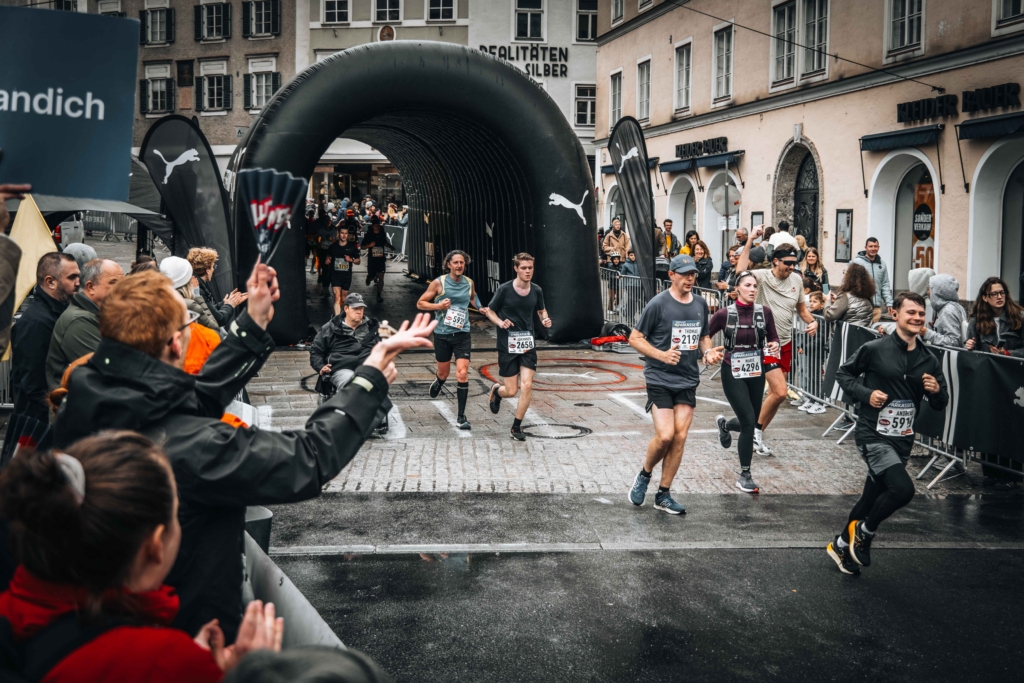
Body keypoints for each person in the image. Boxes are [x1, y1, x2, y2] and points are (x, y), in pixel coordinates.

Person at [53, 264, 437, 641]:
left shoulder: (85, 403)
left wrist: (251, 324)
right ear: (176, 343)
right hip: (189, 635)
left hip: (102, 626)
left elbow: (190, 397)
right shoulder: (194, 447)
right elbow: (308, 458)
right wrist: (369, 380)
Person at [0, 432, 284, 681]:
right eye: (176, 515)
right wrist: (250, 673)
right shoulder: (165, 662)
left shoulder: (12, 611)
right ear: (156, 544)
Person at [828, 292, 947, 575]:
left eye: (921, 313)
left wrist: (937, 391)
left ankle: (841, 544)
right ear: (895, 315)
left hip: (902, 439)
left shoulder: (928, 359)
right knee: (902, 490)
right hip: (873, 435)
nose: (917, 318)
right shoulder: (875, 348)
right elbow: (843, 374)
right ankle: (866, 532)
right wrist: (866, 394)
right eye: (911, 313)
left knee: (872, 497)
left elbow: (941, 404)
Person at [627, 254, 723, 514]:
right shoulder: (658, 304)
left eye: (693, 273)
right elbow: (634, 338)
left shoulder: (701, 304)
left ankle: (663, 494)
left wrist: (708, 352)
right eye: (684, 273)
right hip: (659, 377)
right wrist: (661, 355)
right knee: (665, 435)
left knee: (680, 437)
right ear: (671, 275)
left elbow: (703, 337)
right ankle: (644, 475)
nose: (690, 278)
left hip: (687, 378)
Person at [736, 229, 818, 456]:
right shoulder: (762, 277)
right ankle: (755, 432)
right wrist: (751, 240)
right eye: (788, 263)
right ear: (775, 261)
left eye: (795, 263)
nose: (792, 267)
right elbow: (741, 271)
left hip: (786, 342)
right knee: (780, 393)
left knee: (775, 396)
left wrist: (813, 323)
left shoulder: (797, 280)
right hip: (764, 343)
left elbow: (802, 310)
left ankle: (754, 434)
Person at [711, 271, 780, 494]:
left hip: (756, 371)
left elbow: (774, 337)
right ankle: (745, 474)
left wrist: (774, 346)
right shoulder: (724, 314)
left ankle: (726, 425)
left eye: (755, 286)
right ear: (737, 289)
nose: (752, 289)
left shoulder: (765, 312)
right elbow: (705, 334)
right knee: (750, 422)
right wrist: (708, 351)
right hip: (733, 371)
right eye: (748, 285)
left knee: (748, 421)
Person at [484, 253, 553, 442]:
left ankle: (516, 427)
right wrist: (500, 322)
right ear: (516, 269)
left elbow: (541, 310)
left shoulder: (537, 290)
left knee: (527, 385)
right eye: (523, 268)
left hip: (527, 344)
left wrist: (544, 319)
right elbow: (490, 310)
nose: (527, 271)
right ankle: (497, 391)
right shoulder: (505, 290)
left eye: (530, 267)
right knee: (511, 391)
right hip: (507, 344)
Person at [965, 276, 1024, 488]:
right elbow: (972, 353)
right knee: (990, 424)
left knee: (1013, 424)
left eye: (1002, 293)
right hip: (988, 381)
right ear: (985, 297)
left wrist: (1007, 353)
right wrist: (969, 346)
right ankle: (991, 473)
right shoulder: (976, 322)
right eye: (994, 294)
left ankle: (1014, 473)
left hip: (1014, 382)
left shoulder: (1019, 317)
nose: (999, 297)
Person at [416, 250, 483, 430]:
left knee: (462, 373)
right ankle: (439, 380)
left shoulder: (469, 282)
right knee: (444, 372)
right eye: (456, 263)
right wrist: (438, 305)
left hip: (462, 334)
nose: (459, 266)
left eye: (462, 263)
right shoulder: (439, 283)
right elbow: (420, 303)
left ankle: (461, 416)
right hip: (443, 334)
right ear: (449, 265)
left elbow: (473, 297)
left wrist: (481, 307)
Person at [11, 253, 79, 424]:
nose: (78, 282)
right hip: (37, 424)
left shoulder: (56, 313)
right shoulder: (37, 323)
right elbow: (34, 385)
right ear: (50, 282)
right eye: (72, 277)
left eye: (78, 276)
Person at [45, 258, 123, 392]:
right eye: (114, 283)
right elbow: (111, 371)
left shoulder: (97, 314)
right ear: (91, 287)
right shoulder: (79, 321)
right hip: (78, 408)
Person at [188, 248, 246, 328]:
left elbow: (206, 310)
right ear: (207, 270)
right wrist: (230, 305)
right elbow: (219, 319)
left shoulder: (196, 286)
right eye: (213, 266)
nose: (213, 269)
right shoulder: (199, 290)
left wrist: (224, 303)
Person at [160, 256, 218, 331]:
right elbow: (214, 327)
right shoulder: (189, 304)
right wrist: (197, 296)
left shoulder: (159, 299)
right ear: (186, 281)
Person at [850, 238, 893, 322]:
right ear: (866, 247)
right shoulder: (856, 262)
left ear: (878, 247)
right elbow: (847, 283)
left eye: (875, 246)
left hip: (876, 308)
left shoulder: (882, 264)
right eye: (870, 246)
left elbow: (885, 285)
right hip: (861, 306)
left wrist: (889, 303)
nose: (873, 248)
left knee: (873, 332)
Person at [823, 263, 875, 328]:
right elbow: (854, 305)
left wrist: (827, 300)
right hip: (863, 334)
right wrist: (838, 300)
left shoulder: (845, 296)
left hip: (847, 335)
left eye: (845, 272)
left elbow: (829, 316)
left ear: (849, 277)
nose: (844, 275)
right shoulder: (867, 294)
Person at [325, 225, 361, 317]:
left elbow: (358, 261)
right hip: (335, 275)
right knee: (337, 297)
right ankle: (337, 319)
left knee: (343, 299)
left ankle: (336, 314)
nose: (344, 235)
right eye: (342, 233)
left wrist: (351, 260)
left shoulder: (351, 247)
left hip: (346, 276)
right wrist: (327, 260)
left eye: (346, 233)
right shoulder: (333, 247)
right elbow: (328, 257)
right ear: (338, 234)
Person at [922, 274, 967, 347]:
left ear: (939, 291)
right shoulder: (955, 306)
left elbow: (953, 341)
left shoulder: (948, 311)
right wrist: (937, 326)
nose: (928, 292)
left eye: (930, 289)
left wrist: (927, 333)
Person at [361, 218, 393, 303]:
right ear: (372, 227)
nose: (377, 227)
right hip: (372, 259)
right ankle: (369, 278)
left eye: (378, 226)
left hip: (381, 258)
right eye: (375, 226)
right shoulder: (369, 235)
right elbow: (362, 246)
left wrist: (390, 246)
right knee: (372, 276)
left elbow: (384, 242)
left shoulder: (382, 233)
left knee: (381, 276)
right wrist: (369, 245)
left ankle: (379, 295)